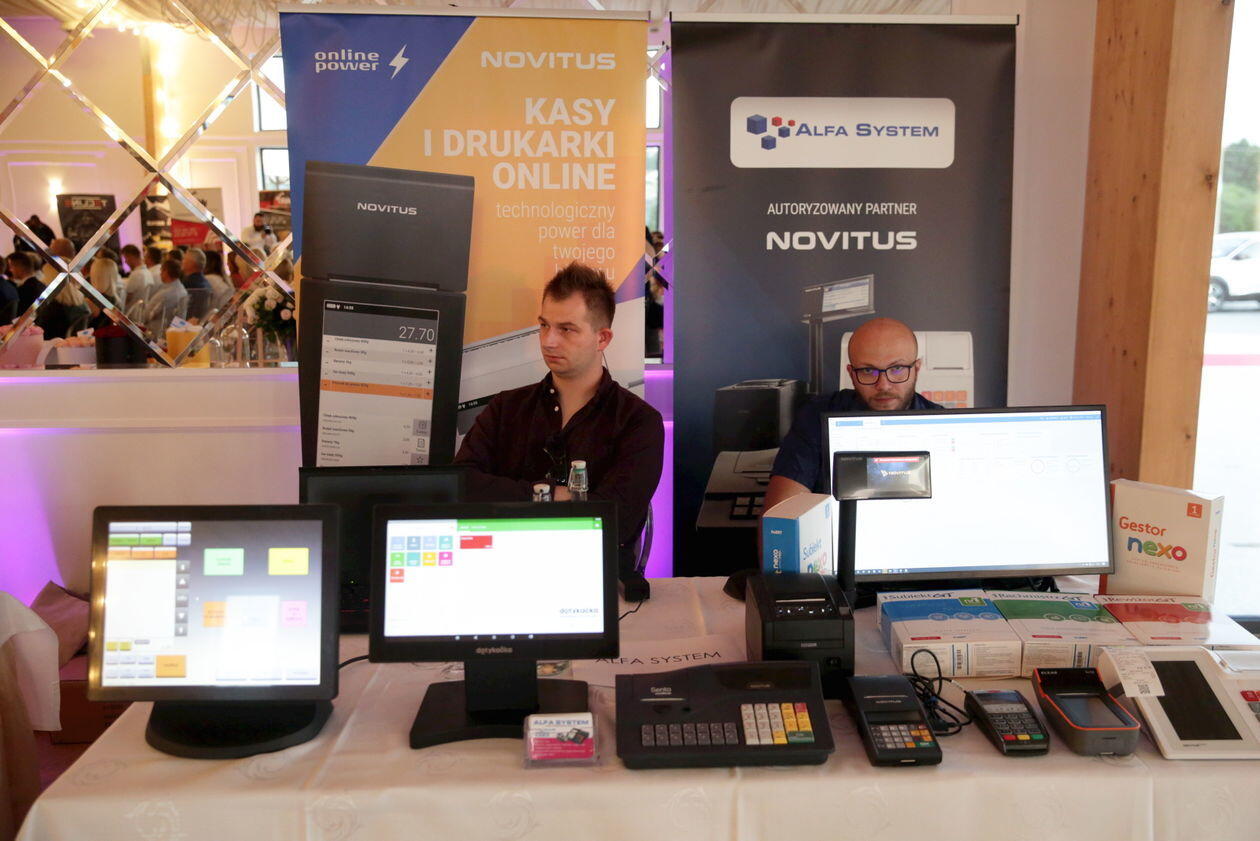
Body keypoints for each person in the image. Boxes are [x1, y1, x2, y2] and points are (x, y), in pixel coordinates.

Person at [454, 262, 664, 568]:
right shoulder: (506, 408)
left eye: (566, 329)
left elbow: (618, 517)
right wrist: (555, 495)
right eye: (544, 325)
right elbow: (461, 485)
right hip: (500, 566)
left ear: (602, 338)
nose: (548, 341)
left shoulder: (638, 421)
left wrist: (516, 500)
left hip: (594, 573)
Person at [763, 317, 945, 511]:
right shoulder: (818, 417)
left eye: (897, 368)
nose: (883, 385)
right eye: (868, 370)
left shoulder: (946, 426)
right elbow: (780, 517)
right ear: (851, 374)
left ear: (916, 369)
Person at [144, 259, 188, 337]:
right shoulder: (183, 291)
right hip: (175, 333)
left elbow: (147, 315)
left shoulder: (165, 294)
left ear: (166, 272)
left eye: (161, 271)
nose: (160, 274)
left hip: (157, 334)